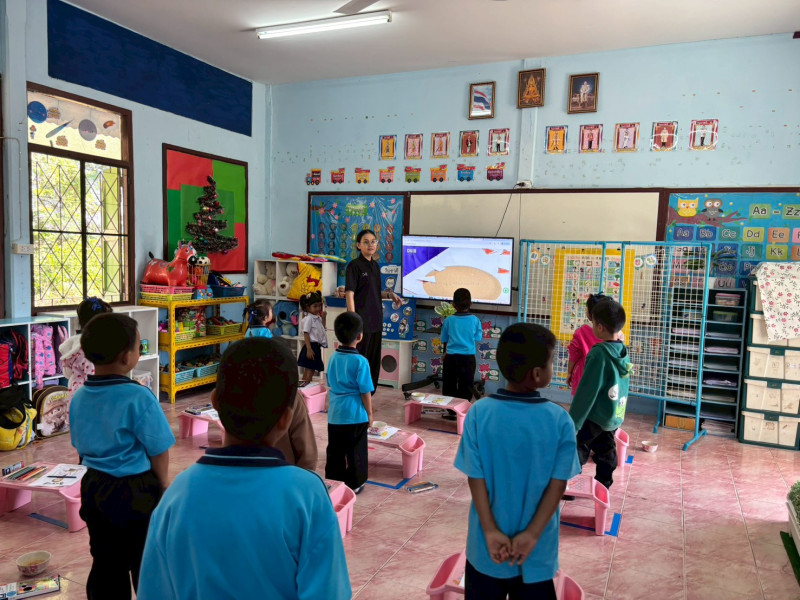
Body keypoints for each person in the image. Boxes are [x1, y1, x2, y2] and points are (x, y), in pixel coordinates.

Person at [138, 338, 350, 600]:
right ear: (286, 419)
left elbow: (153, 592)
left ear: (215, 401)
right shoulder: (308, 495)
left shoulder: (177, 495)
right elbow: (330, 593)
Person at [454, 323, 580, 600]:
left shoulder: (479, 413)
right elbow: (558, 485)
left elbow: (476, 478)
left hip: (486, 548)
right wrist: (531, 535)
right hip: (536, 551)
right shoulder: (560, 421)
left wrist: (490, 530)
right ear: (537, 374)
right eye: (551, 362)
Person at [69, 313, 175, 599]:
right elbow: (159, 449)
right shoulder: (139, 396)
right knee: (145, 560)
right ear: (127, 357)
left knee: (106, 561)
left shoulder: (79, 397)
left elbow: (80, 445)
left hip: (95, 487)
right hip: (135, 490)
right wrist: (162, 483)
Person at [569, 298, 631, 491]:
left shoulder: (599, 353)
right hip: (613, 412)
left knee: (578, 445)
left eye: (594, 323)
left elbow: (587, 392)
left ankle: (571, 484)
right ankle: (604, 485)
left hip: (595, 415)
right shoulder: (622, 350)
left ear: (600, 327)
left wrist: (574, 421)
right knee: (606, 448)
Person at [345, 228, 400, 393]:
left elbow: (374, 292)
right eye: (366, 242)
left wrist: (390, 295)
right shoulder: (354, 266)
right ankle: (357, 395)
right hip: (362, 323)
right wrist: (354, 322)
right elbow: (350, 293)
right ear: (358, 245)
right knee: (361, 361)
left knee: (373, 362)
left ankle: (369, 394)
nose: (370, 245)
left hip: (376, 322)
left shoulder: (375, 266)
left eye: (373, 242)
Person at [325, 311, 373, 493]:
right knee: (356, 451)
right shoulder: (361, 361)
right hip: (355, 415)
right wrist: (370, 413)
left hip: (335, 414)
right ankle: (356, 483)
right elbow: (365, 391)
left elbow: (330, 382)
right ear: (359, 336)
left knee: (335, 450)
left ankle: (333, 481)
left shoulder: (333, 357)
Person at [59, 296, 113, 399]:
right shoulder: (109, 343)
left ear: (80, 320)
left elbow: (67, 373)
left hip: (78, 395)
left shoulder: (74, 346)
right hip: (102, 393)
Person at [441, 288, 482, 402]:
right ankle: (463, 408)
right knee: (466, 387)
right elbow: (477, 337)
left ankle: (450, 409)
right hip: (468, 358)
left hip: (450, 358)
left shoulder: (448, 320)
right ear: (471, 304)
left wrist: (445, 352)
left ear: (453, 305)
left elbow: (444, 339)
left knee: (449, 386)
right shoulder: (476, 320)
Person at [566, 293, 606, 397]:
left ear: (590, 314)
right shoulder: (615, 334)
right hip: (605, 376)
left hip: (583, 375)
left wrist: (569, 372)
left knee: (580, 404)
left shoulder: (581, 332)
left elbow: (574, 355)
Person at [297, 291, 327, 386]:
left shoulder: (316, 318)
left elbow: (322, 329)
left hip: (315, 347)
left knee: (310, 369)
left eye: (319, 306)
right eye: (315, 306)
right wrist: (309, 349)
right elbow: (306, 334)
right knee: (309, 370)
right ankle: (304, 387)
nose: (318, 308)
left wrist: (324, 318)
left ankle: (302, 387)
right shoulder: (309, 319)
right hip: (311, 346)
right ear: (307, 307)